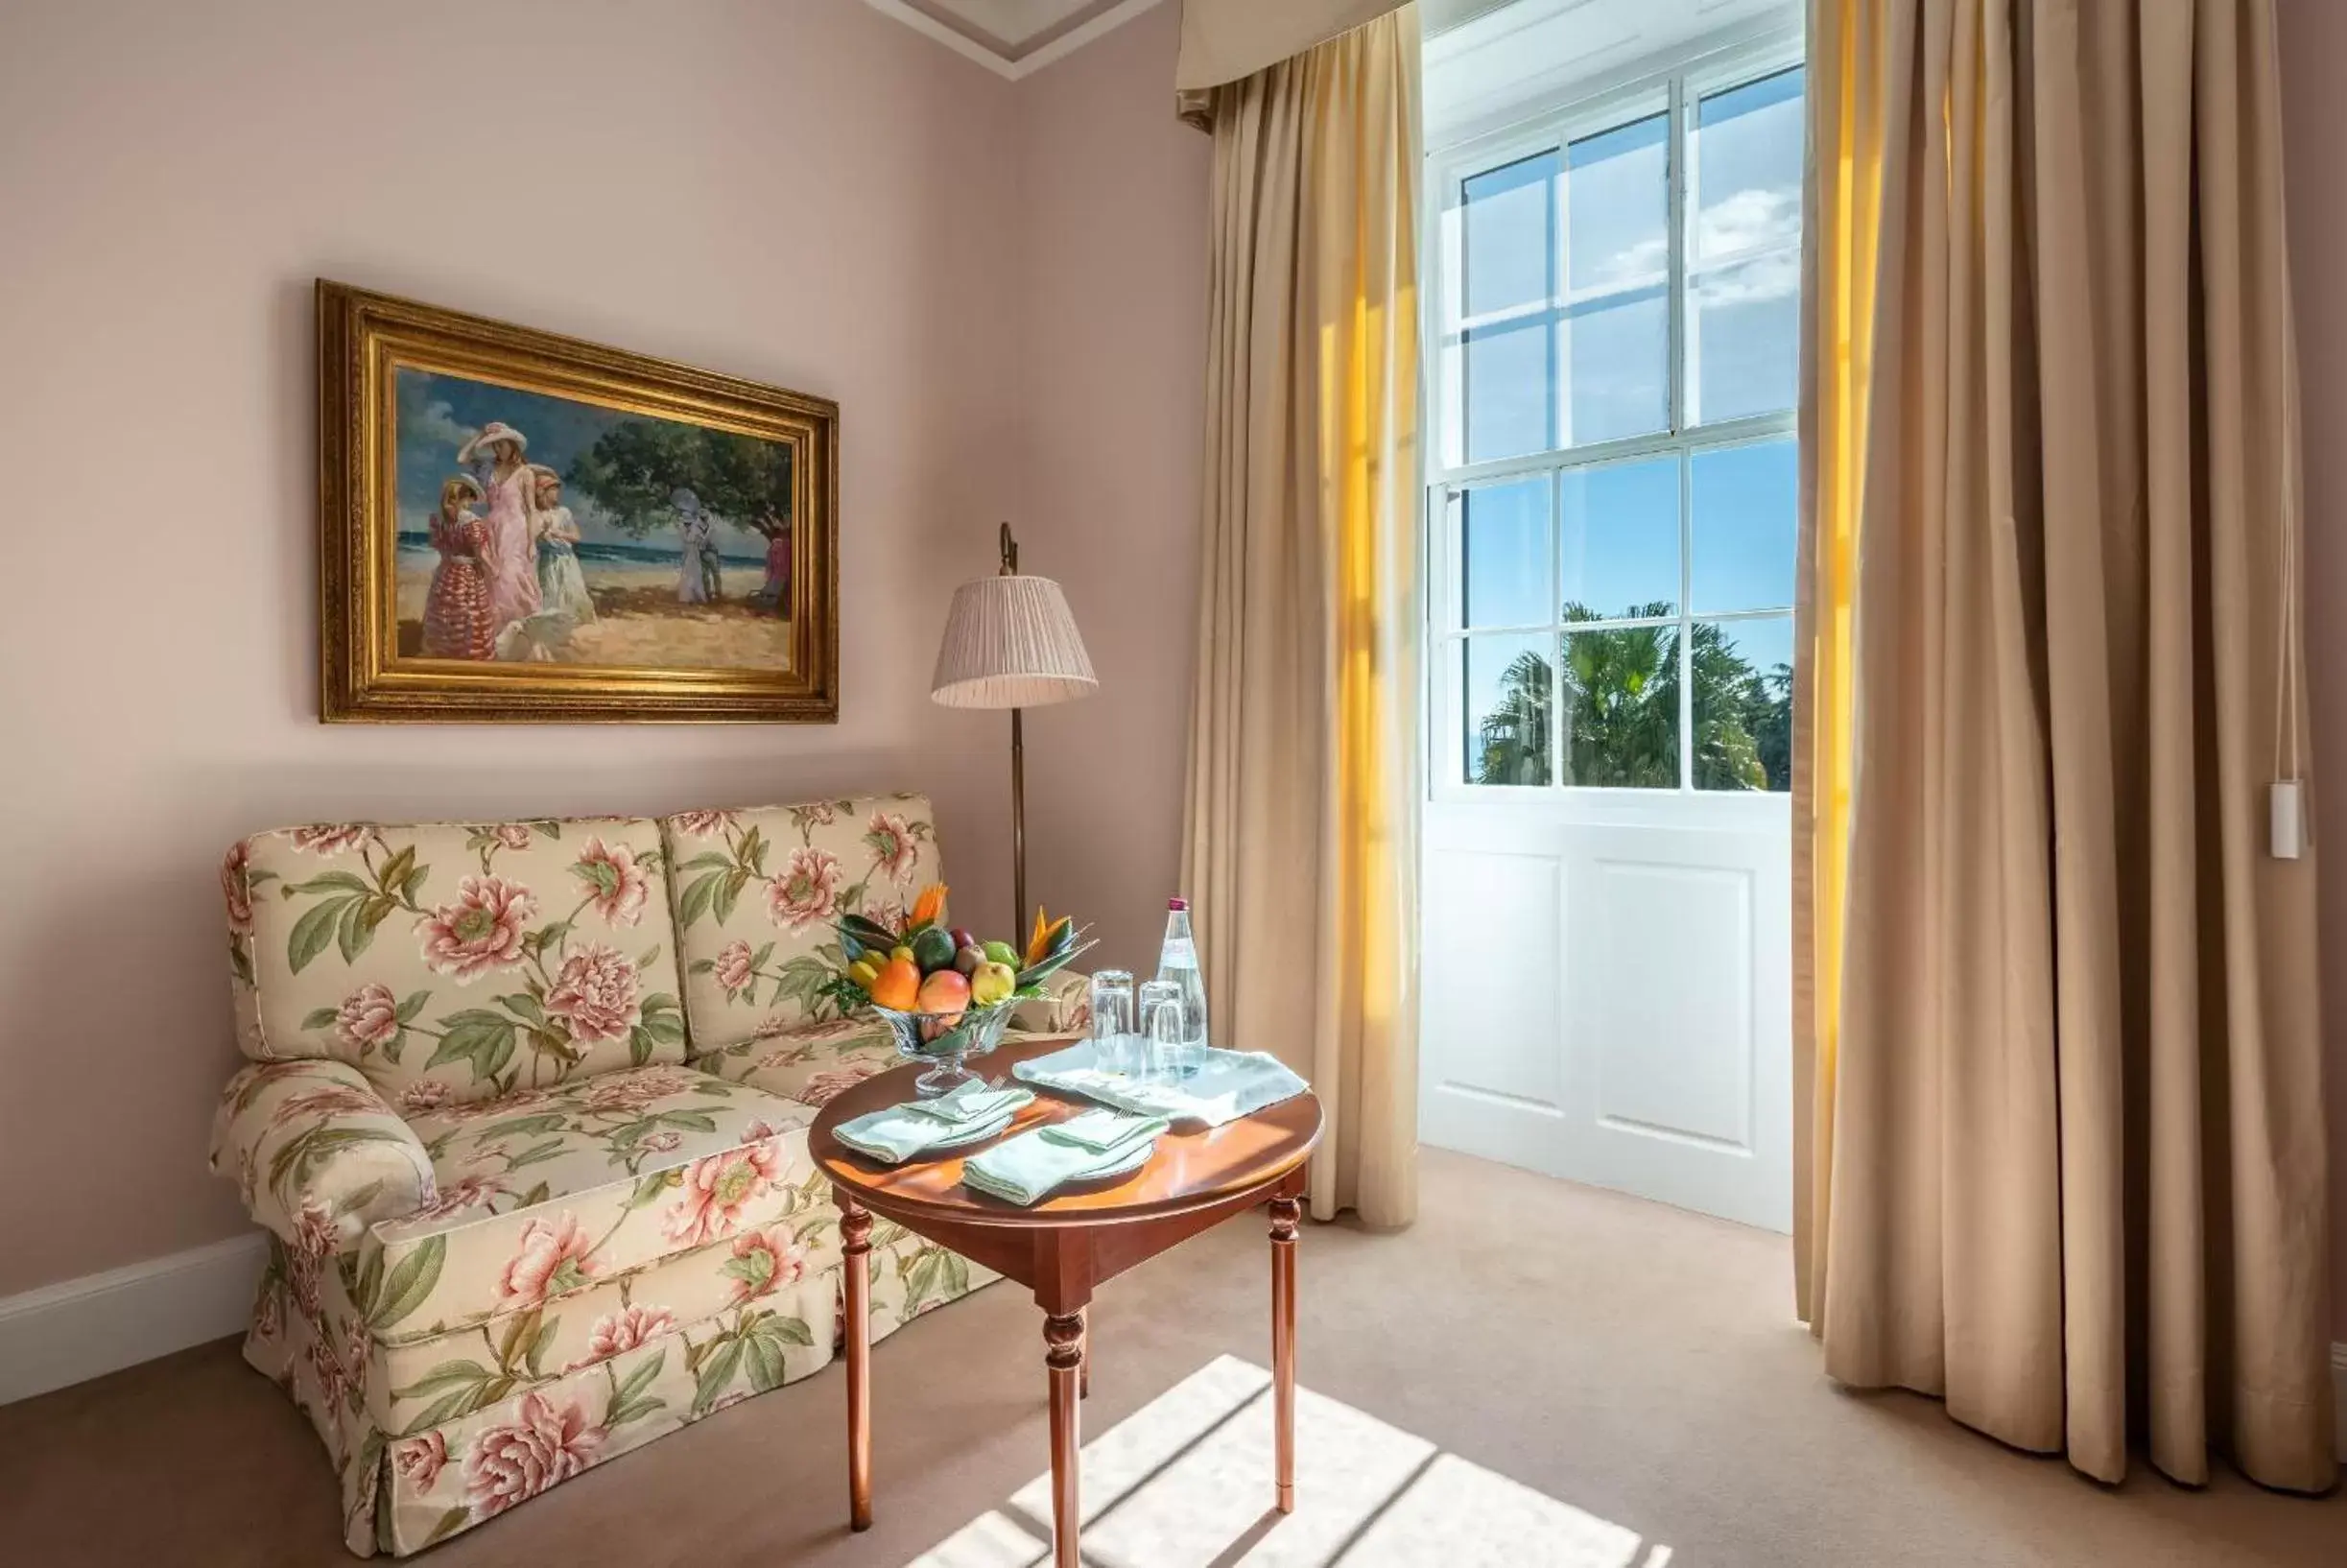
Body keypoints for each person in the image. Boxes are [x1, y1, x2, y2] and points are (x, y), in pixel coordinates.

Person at [457, 421, 541, 643]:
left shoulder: (526, 473)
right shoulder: (488, 469)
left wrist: (532, 542)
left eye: (501, 445)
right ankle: (495, 633)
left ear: (513, 446)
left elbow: (532, 510)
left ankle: (518, 630)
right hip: (492, 528)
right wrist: (480, 434)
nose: (497, 450)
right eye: (494, 446)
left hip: (516, 531)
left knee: (511, 577)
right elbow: (462, 458)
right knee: (491, 577)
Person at [420, 476, 495, 659]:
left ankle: (444, 649)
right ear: (465, 497)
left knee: (445, 609)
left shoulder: (438, 519)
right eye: (470, 499)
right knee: (468, 610)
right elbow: (478, 552)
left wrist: (452, 558)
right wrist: (487, 568)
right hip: (466, 572)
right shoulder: (470, 521)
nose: (471, 504)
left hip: (446, 570)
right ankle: (467, 651)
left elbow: (438, 545)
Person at [531, 466, 596, 624]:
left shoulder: (563, 512)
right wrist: (541, 533)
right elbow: (531, 538)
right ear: (542, 492)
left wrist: (558, 533)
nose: (556, 493)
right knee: (551, 592)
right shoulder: (535, 515)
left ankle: (577, 622)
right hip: (547, 561)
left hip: (566, 560)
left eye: (556, 489)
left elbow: (576, 537)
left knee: (571, 591)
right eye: (552, 489)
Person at [674, 488, 720, 605]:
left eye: (688, 523)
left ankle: (697, 595)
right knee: (691, 573)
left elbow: (701, 541)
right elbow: (698, 541)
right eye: (686, 523)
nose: (687, 524)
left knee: (696, 573)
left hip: (694, 553)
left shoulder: (691, 530)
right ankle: (690, 596)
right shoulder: (689, 530)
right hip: (691, 553)